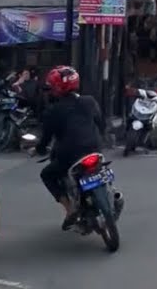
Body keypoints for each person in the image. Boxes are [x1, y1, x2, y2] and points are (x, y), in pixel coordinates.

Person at [33, 66, 105, 229]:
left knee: (47, 174)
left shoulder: (52, 111)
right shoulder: (89, 101)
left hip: (69, 156)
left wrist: (39, 150)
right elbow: (101, 124)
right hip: (95, 148)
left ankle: (70, 208)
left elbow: (45, 139)